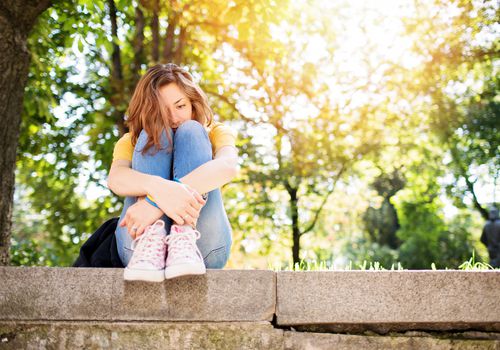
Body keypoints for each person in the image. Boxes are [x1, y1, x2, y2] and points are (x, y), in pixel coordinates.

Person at [107, 63, 238, 282]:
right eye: (161, 110)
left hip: (205, 245)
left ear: (192, 103)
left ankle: (184, 234)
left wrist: (154, 203)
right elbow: (116, 179)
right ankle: (152, 237)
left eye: (180, 106)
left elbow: (228, 166)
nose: (174, 118)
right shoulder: (130, 141)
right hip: (139, 248)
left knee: (192, 130)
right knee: (153, 134)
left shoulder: (215, 132)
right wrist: (159, 188)